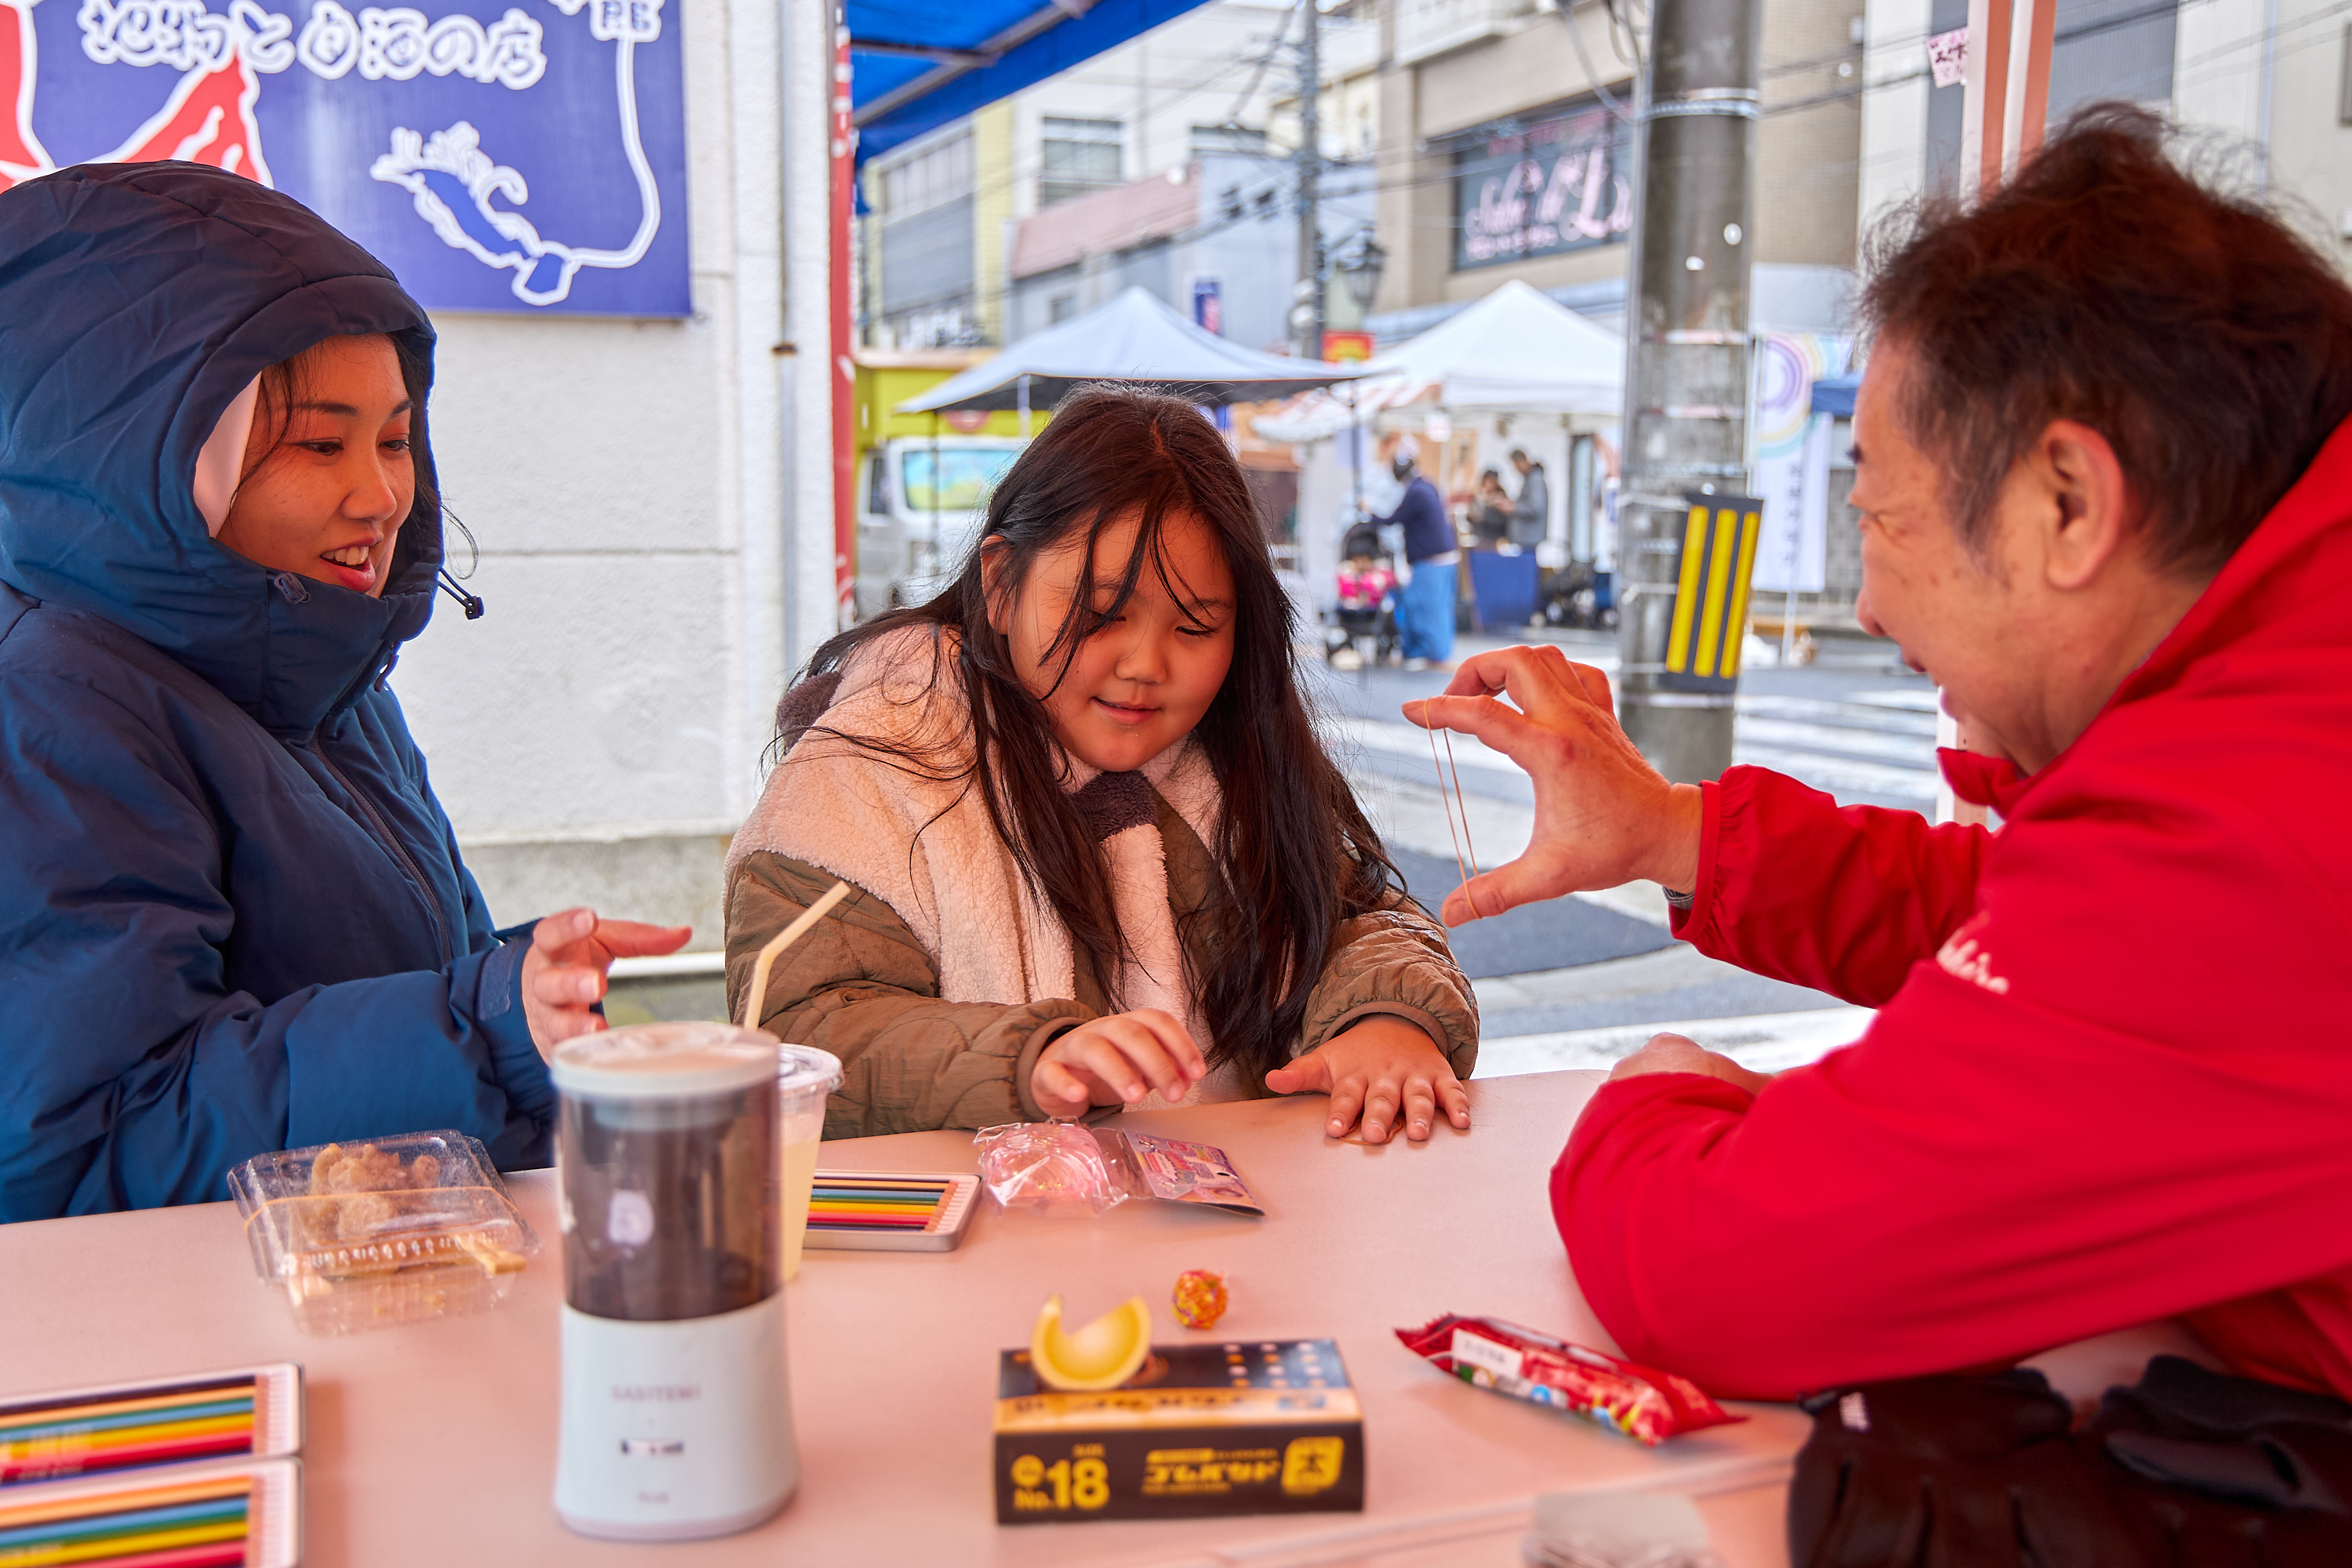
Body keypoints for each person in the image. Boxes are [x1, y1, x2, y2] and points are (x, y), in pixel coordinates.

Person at [1410, 107, 2352, 1400]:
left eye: (1879, 519)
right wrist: (1671, 833)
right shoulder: (2289, 712)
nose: (1868, 605)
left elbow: (1722, 1278)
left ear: (2065, 506)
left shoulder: (2252, 825)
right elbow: (2057, 938)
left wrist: (1659, 1094)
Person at [0, 162, 688, 1220]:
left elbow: (388, 973)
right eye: (320, 444)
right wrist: (484, 1026)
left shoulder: (320, 671)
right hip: (204, 1352)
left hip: (372, 1282)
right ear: (132, 455)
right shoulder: (48, 704)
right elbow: (88, 1143)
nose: (380, 496)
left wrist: (528, 990)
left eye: (397, 439)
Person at [724, 387, 1477, 1144]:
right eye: (1100, 612)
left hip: (1238, 1235)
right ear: (999, 582)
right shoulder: (865, 768)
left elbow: (1356, 917)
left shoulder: (1234, 756)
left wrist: (1391, 1019)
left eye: (1195, 626)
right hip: (979, 1244)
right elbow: (799, 1029)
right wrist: (1026, 1059)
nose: (1146, 665)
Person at [1373, 434, 1456, 670]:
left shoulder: (1416, 492)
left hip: (1431, 561)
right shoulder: (1428, 485)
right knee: (1436, 609)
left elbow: (1393, 519)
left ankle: (1425, 654)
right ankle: (1434, 653)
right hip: (1441, 559)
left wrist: (1370, 514)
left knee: (1422, 608)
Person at [1507, 450, 1548, 548]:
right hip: (1526, 538)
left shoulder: (1536, 480)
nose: (1516, 469)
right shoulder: (1529, 478)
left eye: (1516, 465)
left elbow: (1535, 508)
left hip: (1530, 538)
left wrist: (1513, 507)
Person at [1468, 469, 1513, 548]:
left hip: (1495, 536)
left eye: (1490, 482)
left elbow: (1503, 519)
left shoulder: (1501, 498)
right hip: (1481, 536)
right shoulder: (1478, 497)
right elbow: (1471, 516)